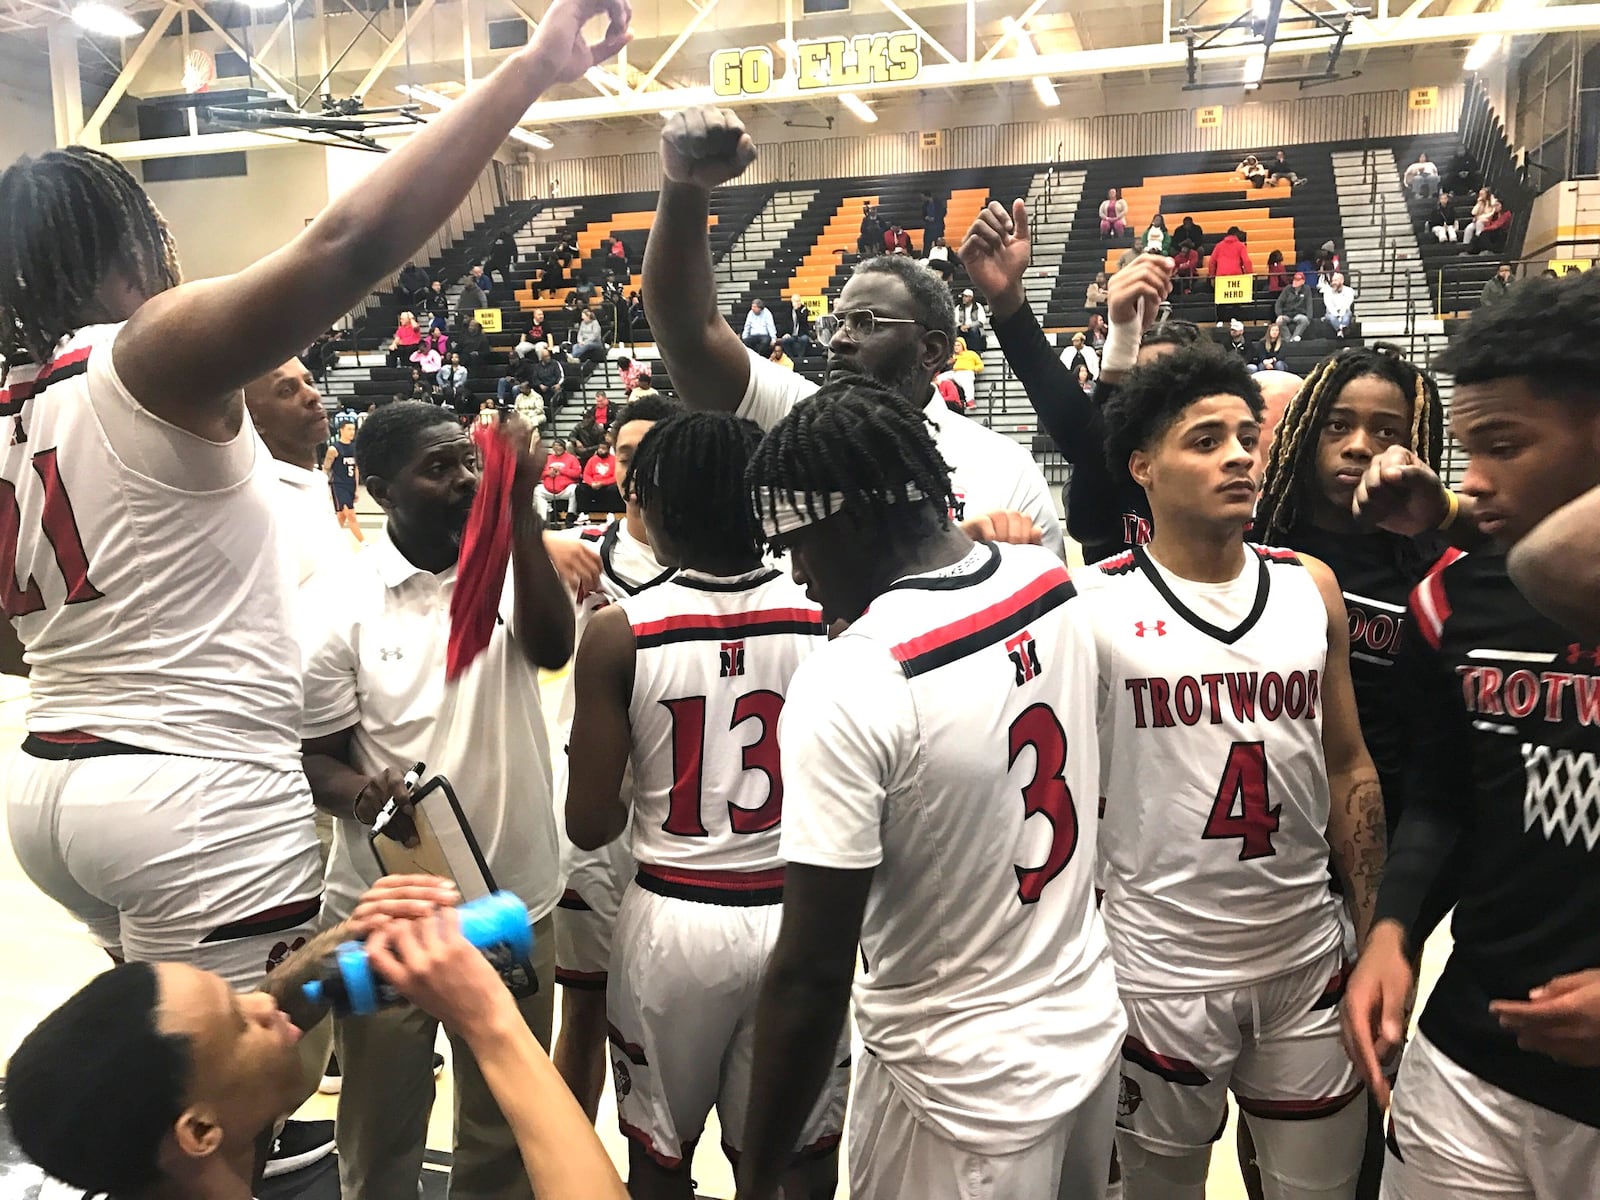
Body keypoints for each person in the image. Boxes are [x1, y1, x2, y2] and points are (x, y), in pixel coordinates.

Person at [0, 0, 617, 1038]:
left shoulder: (16, 404)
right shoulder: (145, 353)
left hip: (49, 793)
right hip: (194, 796)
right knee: (251, 1080)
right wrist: (528, 72)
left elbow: (14, 649)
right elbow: (347, 240)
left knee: (170, 1065)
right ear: (125, 252)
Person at [735, 381, 1124, 1199]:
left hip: (953, 1091)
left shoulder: (854, 675)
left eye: (801, 542)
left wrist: (759, 1169)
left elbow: (811, 972)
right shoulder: (1046, 580)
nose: (798, 574)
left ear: (853, 518)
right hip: (1084, 1028)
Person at [1075, 346, 1383, 1200]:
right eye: (1205, 440)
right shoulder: (1089, 609)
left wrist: (1372, 930)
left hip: (1305, 956)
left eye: (1247, 437)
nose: (1240, 455)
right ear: (1142, 466)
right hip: (1158, 968)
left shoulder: (1309, 587)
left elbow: (1350, 765)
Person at [1342, 270, 1600, 1199]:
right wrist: (1394, 931)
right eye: (1465, 445)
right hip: (1470, 1065)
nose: (1473, 477)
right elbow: (1446, 796)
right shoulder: (1452, 596)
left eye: (1505, 443)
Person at [298, 401, 574, 1200]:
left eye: (468, 462)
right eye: (438, 468)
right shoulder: (339, 603)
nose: (462, 481)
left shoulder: (507, 565)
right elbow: (317, 757)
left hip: (513, 898)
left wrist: (517, 505)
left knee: (505, 1122)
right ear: (381, 487)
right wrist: (361, 796)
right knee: (380, 1124)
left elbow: (555, 649)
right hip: (387, 908)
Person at [566, 410, 843, 1198]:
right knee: (801, 1153)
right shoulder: (826, 612)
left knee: (661, 1162)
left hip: (677, 918)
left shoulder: (621, 632)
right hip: (800, 909)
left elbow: (589, 824)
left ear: (652, 508)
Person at [2, 876, 628, 1200]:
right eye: (241, 1020)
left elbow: (225, 1065)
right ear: (198, 1134)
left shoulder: (166, 1157)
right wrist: (493, 1026)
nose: (263, 1004)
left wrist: (321, 956)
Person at [643, 108, 1063, 555]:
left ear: (933, 351)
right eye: (837, 322)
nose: (840, 339)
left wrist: (979, 571)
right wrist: (684, 188)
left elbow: (1047, 614)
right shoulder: (794, 416)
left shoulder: (1003, 470)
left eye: (866, 323)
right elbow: (689, 335)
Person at [543, 394, 678, 1120]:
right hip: (594, 816)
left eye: (652, 452)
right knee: (586, 1013)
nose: (637, 470)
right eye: (626, 455)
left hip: (685, 814)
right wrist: (528, 542)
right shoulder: (580, 559)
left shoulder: (730, 559)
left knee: (676, 1016)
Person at [322, 417, 365, 543]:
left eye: (353, 429)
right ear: (341, 430)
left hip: (350, 484)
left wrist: (356, 489)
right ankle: (364, 543)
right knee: (351, 515)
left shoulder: (354, 448)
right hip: (338, 485)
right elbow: (325, 469)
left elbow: (356, 468)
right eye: (349, 429)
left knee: (341, 516)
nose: (352, 432)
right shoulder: (333, 449)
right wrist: (324, 489)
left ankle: (330, 541)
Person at [1210, 227, 1254, 324]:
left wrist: (1212, 277)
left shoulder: (1218, 246)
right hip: (1236, 276)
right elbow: (1247, 261)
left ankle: (1220, 320)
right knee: (1236, 298)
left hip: (1221, 276)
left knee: (1221, 300)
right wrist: (1249, 275)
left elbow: (1212, 262)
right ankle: (1235, 319)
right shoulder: (1240, 246)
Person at [536, 437, 582, 520]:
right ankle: (549, 512)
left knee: (574, 489)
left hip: (565, 489)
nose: (557, 448)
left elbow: (577, 474)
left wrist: (562, 470)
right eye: (555, 446)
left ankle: (571, 514)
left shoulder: (572, 458)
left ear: (564, 447)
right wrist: (548, 473)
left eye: (559, 446)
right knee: (537, 491)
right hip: (549, 489)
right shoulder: (548, 458)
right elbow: (539, 474)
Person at [1275, 269, 1313, 341]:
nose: (1295, 281)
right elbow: (1279, 302)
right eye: (1295, 279)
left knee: (1304, 320)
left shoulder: (1307, 289)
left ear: (1303, 281)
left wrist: (1309, 317)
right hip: (1287, 314)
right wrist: (1279, 314)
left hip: (1299, 313)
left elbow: (1309, 303)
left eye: (1298, 280)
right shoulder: (1287, 289)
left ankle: (1294, 338)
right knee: (1279, 322)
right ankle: (1288, 339)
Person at [571, 308, 608, 380]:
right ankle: (574, 357)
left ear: (588, 316)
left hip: (595, 343)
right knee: (575, 346)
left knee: (586, 345)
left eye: (583, 316)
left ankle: (574, 356)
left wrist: (585, 342)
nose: (582, 318)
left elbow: (595, 336)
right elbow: (580, 334)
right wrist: (580, 341)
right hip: (584, 341)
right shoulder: (582, 323)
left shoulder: (595, 323)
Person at [530, 342, 566, 414]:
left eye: (549, 356)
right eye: (546, 356)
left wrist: (558, 384)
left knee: (558, 391)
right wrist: (540, 385)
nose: (548, 358)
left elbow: (561, 376)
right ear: (542, 358)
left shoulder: (555, 363)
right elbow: (534, 378)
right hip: (543, 388)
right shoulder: (537, 367)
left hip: (554, 386)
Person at [580, 437, 619, 503]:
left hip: (607, 485)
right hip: (593, 484)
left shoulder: (614, 460)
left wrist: (602, 483)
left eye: (603, 449)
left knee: (613, 489)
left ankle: (611, 511)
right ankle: (584, 512)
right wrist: (591, 483)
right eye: (599, 448)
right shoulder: (592, 459)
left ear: (608, 450)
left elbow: (616, 477)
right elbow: (586, 474)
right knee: (580, 488)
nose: (600, 450)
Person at [1319, 272, 1357, 338]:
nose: (1333, 282)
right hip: (1331, 312)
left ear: (1342, 281)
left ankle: (1341, 331)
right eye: (1333, 280)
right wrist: (1336, 314)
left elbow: (1347, 304)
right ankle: (1341, 329)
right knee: (1332, 317)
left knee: (1346, 316)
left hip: (1345, 311)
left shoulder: (1349, 291)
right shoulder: (1328, 291)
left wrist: (1341, 314)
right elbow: (1328, 304)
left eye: (1335, 280)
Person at [955, 287, 989, 352]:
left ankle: (975, 351)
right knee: (956, 331)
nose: (963, 298)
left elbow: (981, 320)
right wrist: (961, 326)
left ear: (971, 298)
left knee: (974, 330)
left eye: (966, 297)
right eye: (963, 296)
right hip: (961, 328)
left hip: (974, 328)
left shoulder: (978, 306)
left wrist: (969, 326)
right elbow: (955, 320)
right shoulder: (958, 307)